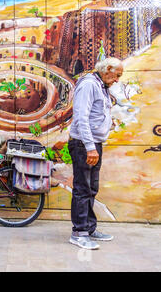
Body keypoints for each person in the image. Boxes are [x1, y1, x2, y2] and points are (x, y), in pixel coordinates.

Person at [68, 57, 123, 250]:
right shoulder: (89, 84)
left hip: (93, 144)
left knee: (92, 188)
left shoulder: (101, 86)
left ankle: (89, 229)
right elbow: (81, 117)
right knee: (83, 188)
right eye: (117, 75)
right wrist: (90, 147)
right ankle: (79, 233)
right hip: (84, 145)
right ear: (107, 69)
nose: (117, 80)